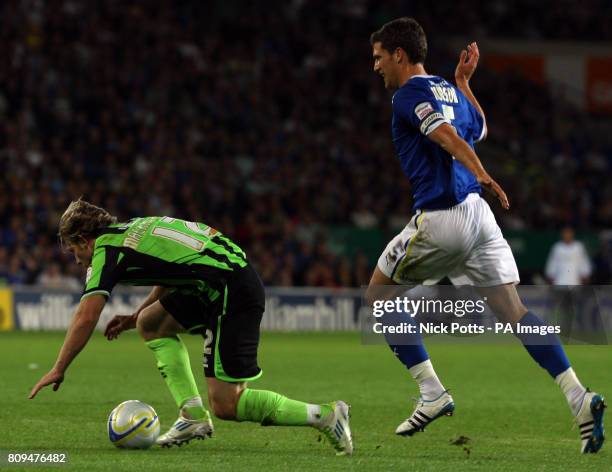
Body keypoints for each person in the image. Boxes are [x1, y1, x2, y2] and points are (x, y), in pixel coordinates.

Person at [367, 17, 605, 453]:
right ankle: (579, 397)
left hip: (443, 217)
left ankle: (432, 392)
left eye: (379, 57)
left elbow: (448, 137)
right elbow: (478, 125)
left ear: (399, 55)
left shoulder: (409, 96)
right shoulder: (446, 88)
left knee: (377, 299)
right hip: (479, 218)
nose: (375, 66)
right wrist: (463, 81)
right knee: (515, 311)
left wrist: (483, 173)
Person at [29, 199, 353, 455]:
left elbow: (86, 316)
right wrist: (133, 315)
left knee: (227, 404)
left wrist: (59, 368)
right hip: (214, 282)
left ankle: (326, 415)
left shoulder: (106, 251)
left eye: (74, 251)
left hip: (230, 290)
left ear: (84, 240)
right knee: (150, 323)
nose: (76, 260)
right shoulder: (133, 229)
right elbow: (170, 272)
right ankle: (192, 417)